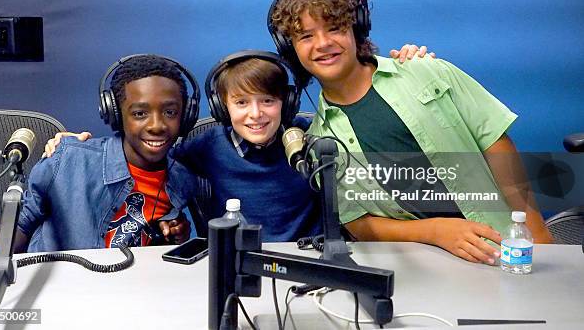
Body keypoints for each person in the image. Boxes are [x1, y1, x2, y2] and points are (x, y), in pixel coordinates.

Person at [268, 0, 554, 264]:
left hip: (502, 245)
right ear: (291, 48)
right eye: (306, 36)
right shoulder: (320, 140)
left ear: (356, 30)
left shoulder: (427, 72)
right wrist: (435, 231)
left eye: (335, 28)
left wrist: (536, 230)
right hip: (424, 266)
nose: (323, 43)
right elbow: (357, 222)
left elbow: (496, 143)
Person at [43, 47, 429, 242]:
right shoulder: (205, 146)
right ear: (221, 108)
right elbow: (146, 153)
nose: (256, 115)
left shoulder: (315, 137)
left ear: (288, 103)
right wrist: (73, 145)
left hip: (307, 267)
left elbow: (373, 123)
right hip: (237, 265)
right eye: (241, 103)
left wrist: (409, 67)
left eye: (268, 101)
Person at [0, 54, 198, 252]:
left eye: (170, 112)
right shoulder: (67, 160)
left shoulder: (182, 178)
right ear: (115, 115)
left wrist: (176, 233)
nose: (157, 126)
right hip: (66, 284)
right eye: (140, 113)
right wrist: (0, 250)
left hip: (131, 284)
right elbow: (24, 225)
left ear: (186, 116)